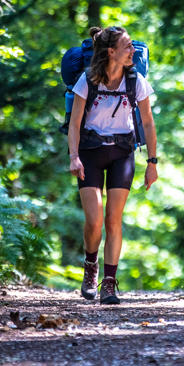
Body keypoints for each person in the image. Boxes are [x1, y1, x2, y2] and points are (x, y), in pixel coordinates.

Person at [68, 26, 158, 305]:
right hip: (91, 152)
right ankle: (90, 268)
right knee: (94, 222)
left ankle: (109, 283)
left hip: (122, 152)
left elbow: (148, 123)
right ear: (111, 52)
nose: (133, 51)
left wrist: (152, 162)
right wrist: (74, 156)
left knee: (113, 219)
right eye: (128, 47)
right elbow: (74, 122)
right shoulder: (88, 80)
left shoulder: (136, 82)